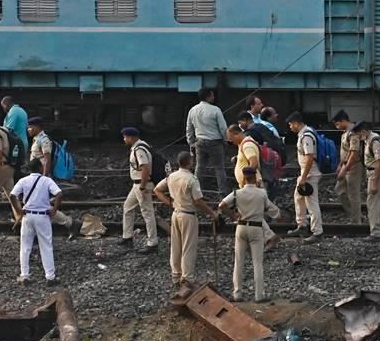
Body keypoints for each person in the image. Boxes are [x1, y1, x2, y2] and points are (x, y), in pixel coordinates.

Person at [153, 151, 217, 289]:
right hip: (188, 215)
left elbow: (157, 190)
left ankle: (176, 276)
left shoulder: (172, 177)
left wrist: (169, 202)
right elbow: (198, 201)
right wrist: (212, 213)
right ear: (189, 162)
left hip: (176, 214)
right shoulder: (191, 179)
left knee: (176, 246)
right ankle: (187, 278)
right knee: (188, 247)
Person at [218, 167, 280, 302]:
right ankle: (259, 295)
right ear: (255, 177)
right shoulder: (262, 193)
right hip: (256, 228)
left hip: (240, 227)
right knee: (257, 263)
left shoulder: (237, 193)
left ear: (244, 178)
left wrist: (233, 215)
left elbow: (221, 205)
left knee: (238, 261)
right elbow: (271, 210)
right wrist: (279, 215)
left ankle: (237, 294)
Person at [9, 159, 64, 286]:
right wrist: (54, 210)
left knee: (25, 246)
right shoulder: (47, 180)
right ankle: (50, 277)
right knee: (46, 246)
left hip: (27, 216)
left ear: (29, 169)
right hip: (43, 216)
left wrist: (18, 210)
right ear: (40, 168)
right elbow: (59, 194)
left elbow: (12, 195)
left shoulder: (23, 181)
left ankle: (24, 276)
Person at [27, 118, 76, 235]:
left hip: (40, 177)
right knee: (40, 205)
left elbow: (47, 160)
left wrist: (43, 178)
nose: (28, 130)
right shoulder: (36, 139)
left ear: (37, 127)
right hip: (36, 176)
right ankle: (69, 223)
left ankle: (70, 223)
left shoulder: (44, 140)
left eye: (30, 127)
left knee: (40, 205)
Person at [119, 127, 158, 253]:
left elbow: (146, 168)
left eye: (125, 137)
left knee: (147, 213)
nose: (124, 139)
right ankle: (127, 237)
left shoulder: (139, 149)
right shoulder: (141, 145)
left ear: (131, 137)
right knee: (127, 207)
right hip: (137, 185)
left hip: (142, 185)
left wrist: (142, 186)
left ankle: (152, 243)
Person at [286, 112, 324, 242]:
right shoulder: (303, 134)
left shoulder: (307, 136)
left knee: (311, 203)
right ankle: (302, 225)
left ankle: (317, 232)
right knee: (298, 198)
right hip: (305, 173)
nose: (290, 127)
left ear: (296, 123)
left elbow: (309, 158)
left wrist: (304, 177)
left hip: (310, 174)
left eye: (291, 124)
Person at [186, 88, 228, 197]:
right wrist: (226, 140)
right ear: (208, 97)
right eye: (212, 95)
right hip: (215, 143)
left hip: (199, 142)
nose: (214, 97)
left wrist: (191, 143)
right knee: (219, 167)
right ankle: (223, 192)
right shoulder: (215, 110)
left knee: (199, 166)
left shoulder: (193, 110)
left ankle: (195, 190)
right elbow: (223, 128)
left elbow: (189, 128)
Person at [332, 110, 363, 223]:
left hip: (353, 167)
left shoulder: (353, 132)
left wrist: (345, 169)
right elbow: (346, 152)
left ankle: (356, 221)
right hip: (346, 166)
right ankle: (354, 215)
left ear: (343, 120)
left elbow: (354, 154)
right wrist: (341, 166)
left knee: (353, 195)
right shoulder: (346, 132)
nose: (337, 127)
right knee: (340, 190)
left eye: (337, 124)